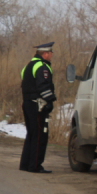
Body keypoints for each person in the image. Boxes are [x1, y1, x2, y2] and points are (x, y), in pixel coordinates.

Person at [19, 41, 57, 173]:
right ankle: (35, 166)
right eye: (51, 53)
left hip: (27, 103)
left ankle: (25, 164)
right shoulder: (42, 67)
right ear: (45, 53)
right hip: (38, 104)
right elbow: (43, 87)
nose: (52, 55)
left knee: (31, 134)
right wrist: (50, 100)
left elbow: (24, 84)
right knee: (39, 136)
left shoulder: (28, 66)